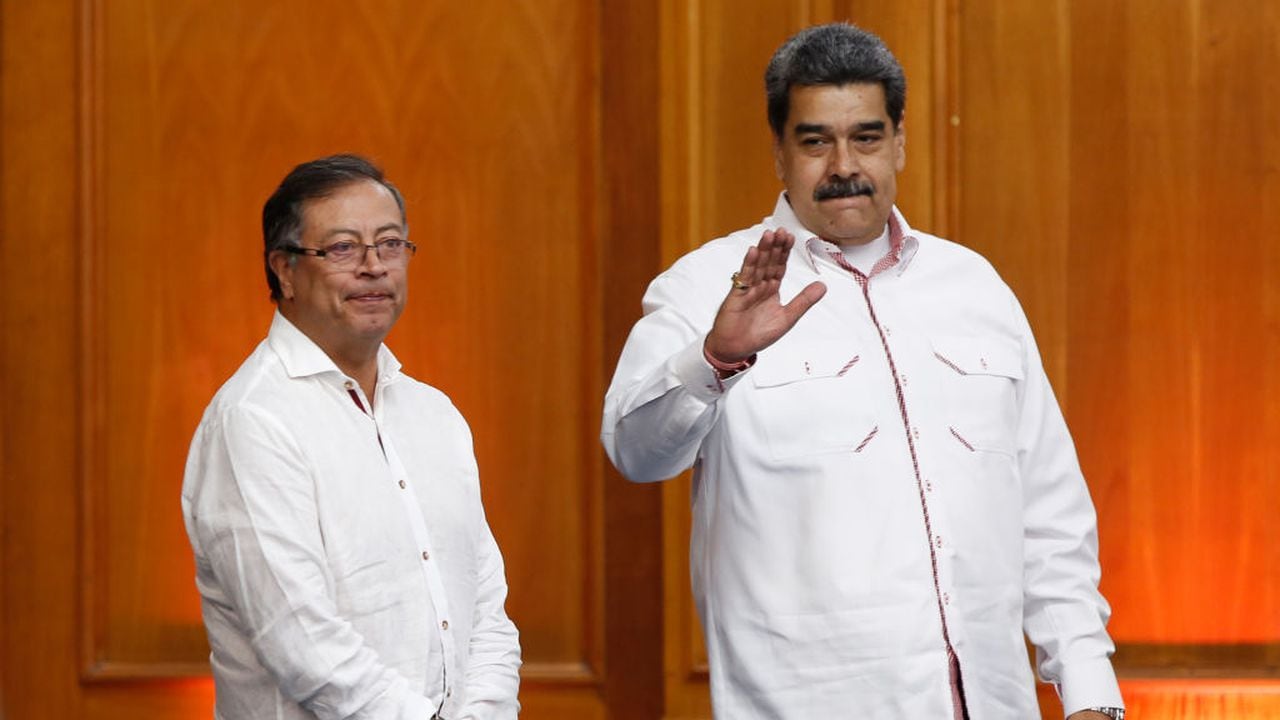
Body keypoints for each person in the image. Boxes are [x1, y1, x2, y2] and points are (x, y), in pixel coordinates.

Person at [602, 23, 1124, 720]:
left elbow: (1049, 507)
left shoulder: (975, 288)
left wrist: (1088, 688)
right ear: (780, 152)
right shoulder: (706, 287)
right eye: (816, 141)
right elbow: (634, 452)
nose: (844, 164)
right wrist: (715, 358)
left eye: (867, 137)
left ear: (900, 141)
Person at [182, 154, 520, 720]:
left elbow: (484, 607)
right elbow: (301, 643)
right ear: (284, 270)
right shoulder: (253, 419)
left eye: (390, 244)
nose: (374, 266)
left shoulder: (434, 415)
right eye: (342, 248)